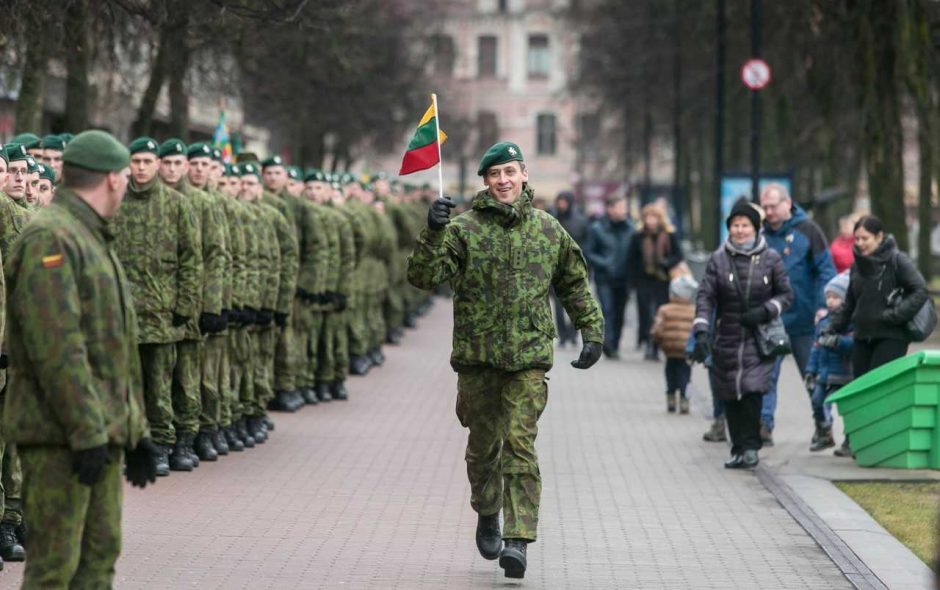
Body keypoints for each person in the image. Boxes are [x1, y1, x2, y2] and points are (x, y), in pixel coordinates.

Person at [407, 141, 604, 579]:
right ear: (485, 181)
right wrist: (433, 231)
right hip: (478, 360)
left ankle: (518, 539)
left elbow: (574, 282)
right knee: (483, 451)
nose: (503, 181)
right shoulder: (464, 230)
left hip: (528, 359)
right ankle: (487, 511)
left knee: (519, 443)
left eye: (510, 172)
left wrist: (592, 331)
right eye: (495, 174)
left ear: (524, 175)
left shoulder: (549, 230)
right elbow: (423, 277)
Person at [3, 130, 160, 588]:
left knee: (98, 557)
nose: (130, 185)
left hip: (98, 433)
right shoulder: (50, 237)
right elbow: (58, 349)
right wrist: (88, 432)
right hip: (60, 436)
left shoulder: (90, 235)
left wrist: (135, 431)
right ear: (112, 179)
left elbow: (111, 349)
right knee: (55, 567)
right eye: (127, 177)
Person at [690, 200, 793, 469]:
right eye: (735, 225)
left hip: (759, 339)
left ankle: (751, 447)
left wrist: (765, 311)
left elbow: (786, 295)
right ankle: (737, 447)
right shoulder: (718, 259)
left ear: (755, 228)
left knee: (751, 392)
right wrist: (701, 330)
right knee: (729, 394)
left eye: (745, 225)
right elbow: (706, 297)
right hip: (727, 338)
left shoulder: (771, 259)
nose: (739, 230)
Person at [827, 215, 929, 456]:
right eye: (857, 238)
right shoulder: (857, 266)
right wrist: (833, 327)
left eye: (865, 239)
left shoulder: (897, 260)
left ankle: (880, 441)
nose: (860, 243)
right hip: (863, 335)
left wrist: (895, 315)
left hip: (890, 336)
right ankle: (855, 438)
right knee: (859, 389)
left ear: (880, 236)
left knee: (880, 389)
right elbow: (851, 302)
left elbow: (920, 290)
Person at [759, 183, 835, 446]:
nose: (768, 212)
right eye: (765, 206)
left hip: (805, 319)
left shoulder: (809, 230)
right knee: (767, 377)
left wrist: (825, 305)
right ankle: (763, 425)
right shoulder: (761, 235)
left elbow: (826, 270)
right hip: (772, 319)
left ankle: (823, 425)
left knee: (812, 376)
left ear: (787, 203)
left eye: (773, 206)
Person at [804, 272, 853, 452]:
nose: (830, 301)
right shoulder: (823, 322)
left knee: (848, 410)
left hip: (844, 373)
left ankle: (850, 439)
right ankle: (824, 432)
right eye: (828, 297)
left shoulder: (851, 321)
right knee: (817, 401)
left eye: (835, 297)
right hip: (824, 374)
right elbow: (815, 348)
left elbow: (854, 344)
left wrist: (837, 342)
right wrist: (810, 370)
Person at [627, 203, 683, 361]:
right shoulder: (638, 236)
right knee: (645, 313)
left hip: (662, 281)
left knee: (660, 313)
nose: (651, 221)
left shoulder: (669, 235)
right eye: (648, 218)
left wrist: (667, 262)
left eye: (654, 218)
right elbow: (631, 260)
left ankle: (656, 346)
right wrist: (631, 282)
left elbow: (678, 255)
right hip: (643, 280)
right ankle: (647, 342)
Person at [584, 195, 634, 358]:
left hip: (624, 278)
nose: (624, 211)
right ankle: (608, 344)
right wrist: (605, 263)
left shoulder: (631, 229)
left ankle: (616, 343)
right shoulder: (597, 228)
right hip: (605, 278)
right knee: (607, 310)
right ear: (610, 209)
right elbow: (589, 252)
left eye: (625, 208)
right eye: (620, 207)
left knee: (620, 313)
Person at [651, 273, 698, 413]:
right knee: (686, 376)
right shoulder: (694, 311)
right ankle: (685, 400)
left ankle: (671, 398)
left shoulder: (664, 309)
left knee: (670, 374)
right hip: (686, 352)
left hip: (670, 350)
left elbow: (657, 329)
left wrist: (658, 342)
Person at [551, 191, 588, 347]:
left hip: (573, 268)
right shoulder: (551, 219)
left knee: (574, 304)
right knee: (558, 307)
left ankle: (573, 334)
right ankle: (563, 336)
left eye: (564, 201)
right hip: (554, 269)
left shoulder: (580, 221)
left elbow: (586, 245)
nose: (561, 204)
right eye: (559, 201)